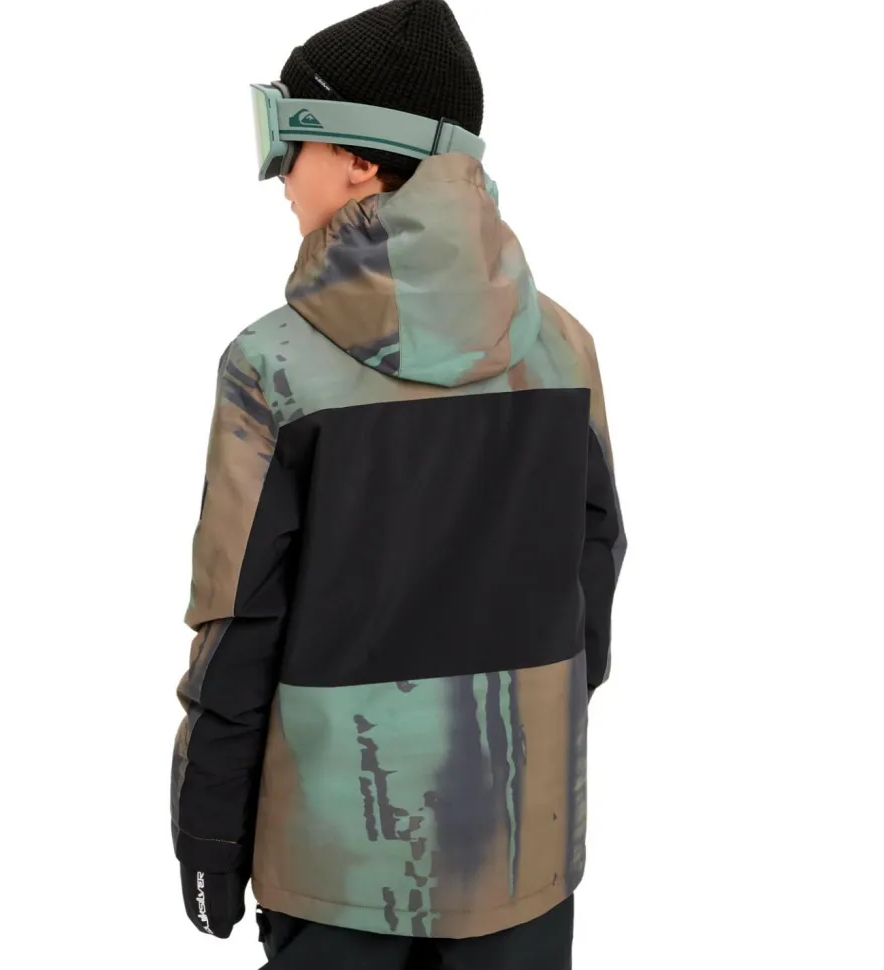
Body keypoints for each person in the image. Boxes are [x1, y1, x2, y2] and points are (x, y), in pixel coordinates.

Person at [169, 1, 627, 967]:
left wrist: (208, 833)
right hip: (522, 859)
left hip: (334, 867)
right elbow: (593, 570)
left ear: (357, 161)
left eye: (291, 144)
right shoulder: (563, 347)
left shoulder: (272, 368)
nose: (280, 177)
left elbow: (239, 623)